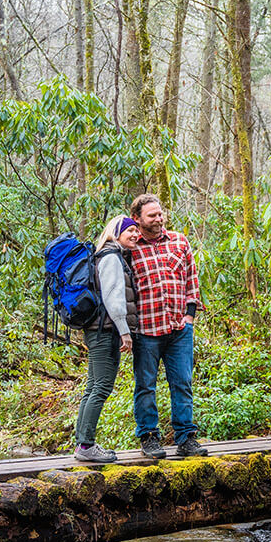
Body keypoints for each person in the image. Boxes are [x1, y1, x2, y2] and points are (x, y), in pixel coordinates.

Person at [128, 193, 208, 458]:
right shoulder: (130, 247)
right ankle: (149, 438)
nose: (158, 219)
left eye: (160, 213)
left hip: (178, 329)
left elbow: (191, 279)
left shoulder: (179, 241)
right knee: (145, 386)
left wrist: (190, 316)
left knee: (182, 382)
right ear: (137, 219)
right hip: (146, 331)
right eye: (152, 215)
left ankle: (186, 438)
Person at [74, 215, 141, 463]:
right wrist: (125, 331)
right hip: (106, 330)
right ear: (116, 233)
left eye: (136, 230)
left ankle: (82, 444)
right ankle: (86, 445)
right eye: (130, 230)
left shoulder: (107, 255)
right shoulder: (112, 257)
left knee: (92, 386)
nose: (135, 234)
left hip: (97, 329)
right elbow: (114, 298)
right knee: (101, 386)